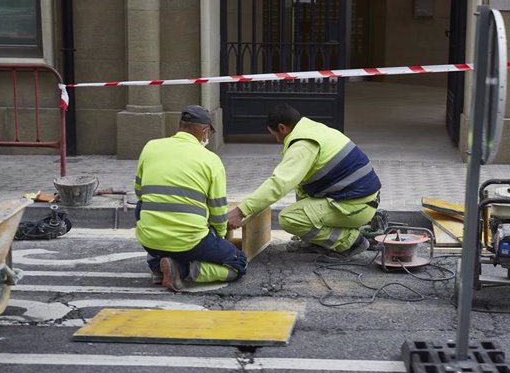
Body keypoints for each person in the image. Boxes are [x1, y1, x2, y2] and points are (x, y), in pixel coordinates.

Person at [227, 103, 381, 259]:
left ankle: (351, 241)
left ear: (282, 128)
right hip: (358, 200)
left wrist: (241, 210)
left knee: (289, 218)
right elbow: (295, 183)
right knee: (301, 188)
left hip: (356, 207)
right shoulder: (313, 129)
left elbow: (279, 183)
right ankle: (316, 241)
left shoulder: (303, 145)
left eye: (273, 134)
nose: (276, 139)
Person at [134, 105, 247, 291]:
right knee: (239, 263)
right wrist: (219, 238)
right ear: (205, 131)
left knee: (142, 205)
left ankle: (157, 265)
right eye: (209, 132)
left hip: (150, 239)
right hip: (191, 241)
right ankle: (182, 270)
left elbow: (140, 192)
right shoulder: (211, 160)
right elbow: (218, 213)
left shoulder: (150, 147)